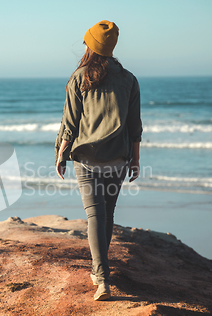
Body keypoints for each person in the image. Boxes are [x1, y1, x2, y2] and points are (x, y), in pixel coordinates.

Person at [54, 20, 142, 301]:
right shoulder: (129, 79)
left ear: (90, 45)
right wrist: (135, 160)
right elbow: (134, 126)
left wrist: (61, 154)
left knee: (95, 215)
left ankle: (102, 279)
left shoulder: (79, 77)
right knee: (107, 215)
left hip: (87, 158)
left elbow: (70, 123)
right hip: (118, 158)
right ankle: (100, 274)